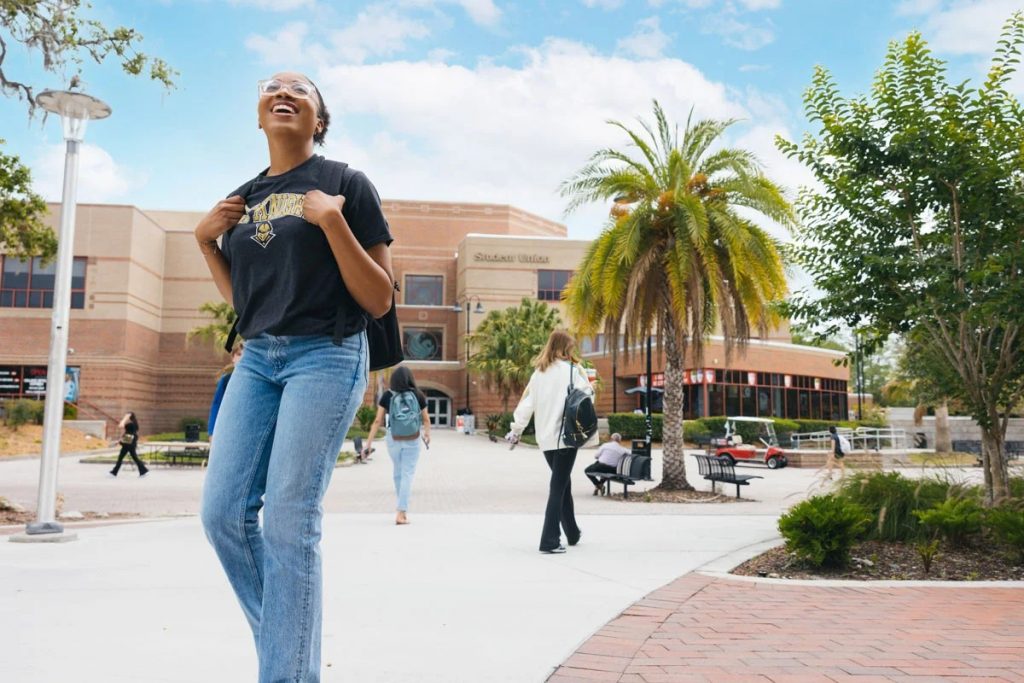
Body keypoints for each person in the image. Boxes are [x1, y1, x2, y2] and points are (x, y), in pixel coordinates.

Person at [196, 71, 394, 683]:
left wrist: (334, 223)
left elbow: (380, 298)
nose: (283, 93)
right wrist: (207, 243)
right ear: (259, 115)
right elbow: (249, 305)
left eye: (300, 90)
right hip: (257, 357)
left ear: (319, 118)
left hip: (327, 352)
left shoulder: (346, 184)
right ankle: (290, 648)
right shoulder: (243, 196)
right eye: (271, 87)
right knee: (223, 514)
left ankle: (287, 671)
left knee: (287, 516)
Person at [507, 330, 594, 554]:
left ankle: (572, 533)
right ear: (565, 348)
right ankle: (549, 540)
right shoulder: (574, 371)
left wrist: (516, 430)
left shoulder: (539, 373)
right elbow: (587, 398)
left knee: (563, 485)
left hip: (545, 440)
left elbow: (527, 404)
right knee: (558, 487)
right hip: (566, 438)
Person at [363, 366, 431, 525]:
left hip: (393, 438)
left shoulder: (387, 395)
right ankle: (401, 512)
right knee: (407, 473)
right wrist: (427, 434)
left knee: (398, 472)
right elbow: (426, 419)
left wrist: (368, 444)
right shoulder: (418, 395)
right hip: (412, 438)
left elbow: (377, 421)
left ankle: (402, 507)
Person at [207, 341, 244, 443]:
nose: (242, 358)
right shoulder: (226, 380)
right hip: (227, 427)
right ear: (233, 357)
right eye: (239, 354)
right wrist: (212, 432)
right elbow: (216, 404)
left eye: (245, 355)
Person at [110, 412, 148, 478]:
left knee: (121, 457)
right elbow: (127, 432)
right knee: (133, 457)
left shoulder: (131, 423)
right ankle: (143, 470)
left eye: (127, 415)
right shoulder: (133, 422)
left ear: (130, 416)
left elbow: (120, 426)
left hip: (129, 440)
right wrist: (120, 440)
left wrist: (124, 418)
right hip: (129, 439)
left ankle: (114, 472)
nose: (125, 415)